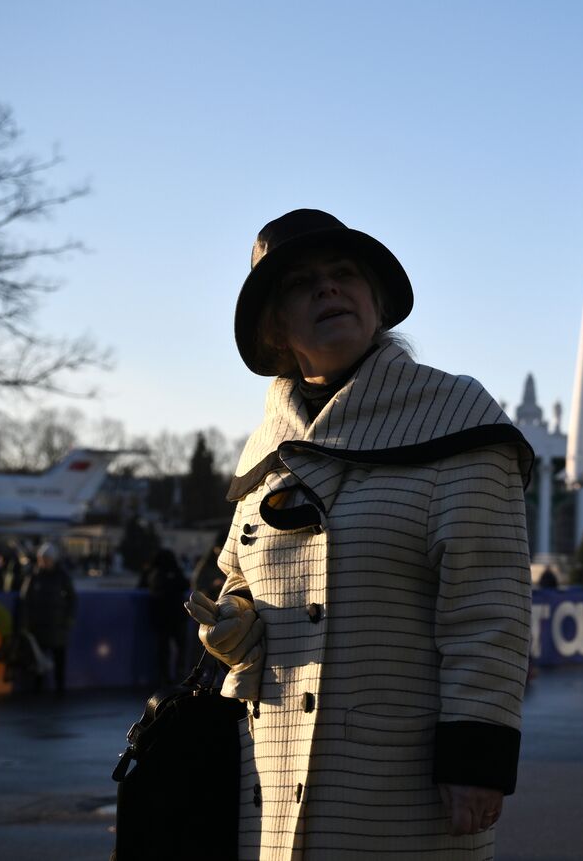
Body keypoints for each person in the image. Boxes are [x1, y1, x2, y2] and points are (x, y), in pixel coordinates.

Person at [187, 209, 534, 857]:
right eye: (301, 282)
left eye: (344, 273)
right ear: (275, 326)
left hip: (394, 785)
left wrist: (476, 757)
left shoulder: (458, 422)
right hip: (267, 775)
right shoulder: (266, 451)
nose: (328, 288)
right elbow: (237, 573)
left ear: (376, 303)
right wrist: (235, 618)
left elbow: (489, 606)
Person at [18, 543, 75, 694]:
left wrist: (68, 620)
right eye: (41, 559)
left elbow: (72, 599)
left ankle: (60, 688)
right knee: (38, 659)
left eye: (46, 559)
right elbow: (25, 599)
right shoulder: (34, 576)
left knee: (59, 659)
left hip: (57, 626)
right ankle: (38, 689)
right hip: (38, 626)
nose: (43, 562)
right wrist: (25, 623)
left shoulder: (62, 576)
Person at [137, 548, 189, 684]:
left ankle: (164, 676)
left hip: (161, 618)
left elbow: (142, 588)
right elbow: (185, 584)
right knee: (180, 647)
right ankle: (180, 675)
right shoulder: (176, 572)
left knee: (163, 649)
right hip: (177, 616)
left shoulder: (151, 573)